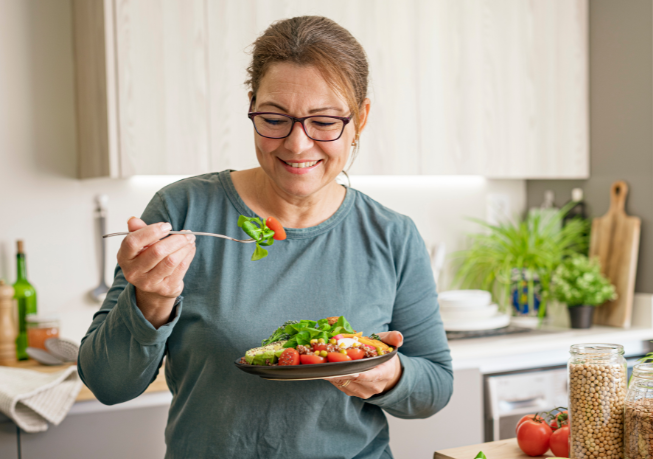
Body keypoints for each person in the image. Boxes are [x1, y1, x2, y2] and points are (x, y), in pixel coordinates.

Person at [78, 16, 453, 458]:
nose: (296, 145)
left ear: (361, 119)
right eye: (274, 118)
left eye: (324, 121)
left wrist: (387, 376)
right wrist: (150, 301)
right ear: (252, 105)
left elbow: (435, 386)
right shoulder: (183, 211)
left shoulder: (392, 234)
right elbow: (107, 383)